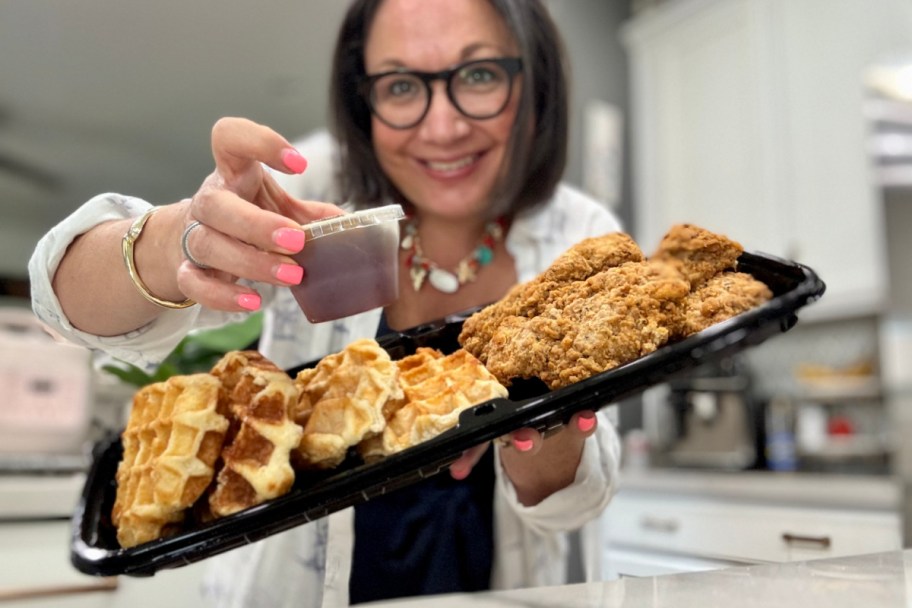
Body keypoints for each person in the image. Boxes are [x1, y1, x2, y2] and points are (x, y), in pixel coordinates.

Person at [29, 0, 623, 606]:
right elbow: (60, 302)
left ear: (533, 84)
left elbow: (573, 508)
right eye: (400, 85)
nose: (442, 126)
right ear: (363, 99)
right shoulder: (312, 194)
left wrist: (542, 429)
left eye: (478, 74)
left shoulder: (583, 238)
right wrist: (176, 238)